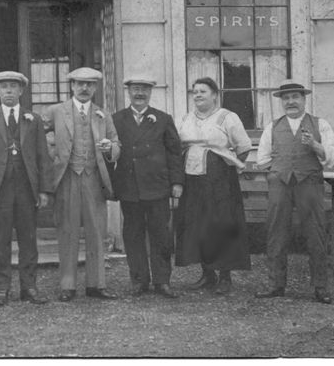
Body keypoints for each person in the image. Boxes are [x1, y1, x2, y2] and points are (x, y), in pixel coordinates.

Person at [0, 71, 52, 306]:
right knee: (1, 240)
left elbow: (42, 157)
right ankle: (2, 288)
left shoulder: (32, 119)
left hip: (27, 188)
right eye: (4, 87)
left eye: (13, 87)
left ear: (21, 91)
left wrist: (44, 190)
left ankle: (29, 287)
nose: (8, 91)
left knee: (29, 240)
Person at [255, 79, 334, 304]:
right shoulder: (273, 126)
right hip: (280, 184)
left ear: (304, 99)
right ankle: (276, 285)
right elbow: (261, 159)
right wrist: (276, 170)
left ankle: (321, 288)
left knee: (315, 233)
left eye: (295, 97)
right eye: (286, 98)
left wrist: (314, 145)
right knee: (276, 233)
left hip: (309, 183)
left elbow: (331, 158)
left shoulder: (320, 125)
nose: (290, 101)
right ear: (281, 102)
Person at [42, 67, 120, 302]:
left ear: (95, 88)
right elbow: (38, 137)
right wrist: (52, 154)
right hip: (66, 178)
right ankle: (68, 285)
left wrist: (110, 149)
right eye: (80, 83)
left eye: (89, 84)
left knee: (97, 231)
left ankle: (96, 284)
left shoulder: (102, 114)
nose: (84, 88)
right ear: (72, 86)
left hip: (94, 179)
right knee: (68, 230)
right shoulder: (56, 111)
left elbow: (117, 143)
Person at [175, 77, 252, 294]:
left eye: (203, 91)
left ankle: (225, 276)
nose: (198, 95)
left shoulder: (227, 117)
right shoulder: (185, 119)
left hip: (219, 182)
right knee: (198, 225)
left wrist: (225, 164)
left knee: (221, 225)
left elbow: (243, 147)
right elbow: (178, 146)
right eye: (195, 91)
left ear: (215, 95)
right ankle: (207, 274)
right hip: (192, 179)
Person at [112, 77, 184, 298]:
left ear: (151, 93)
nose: (139, 93)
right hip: (130, 188)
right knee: (133, 235)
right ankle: (139, 280)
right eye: (135, 89)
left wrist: (177, 182)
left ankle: (162, 281)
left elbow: (174, 152)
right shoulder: (116, 119)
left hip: (157, 187)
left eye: (144, 89)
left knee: (160, 235)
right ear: (129, 92)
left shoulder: (163, 119)